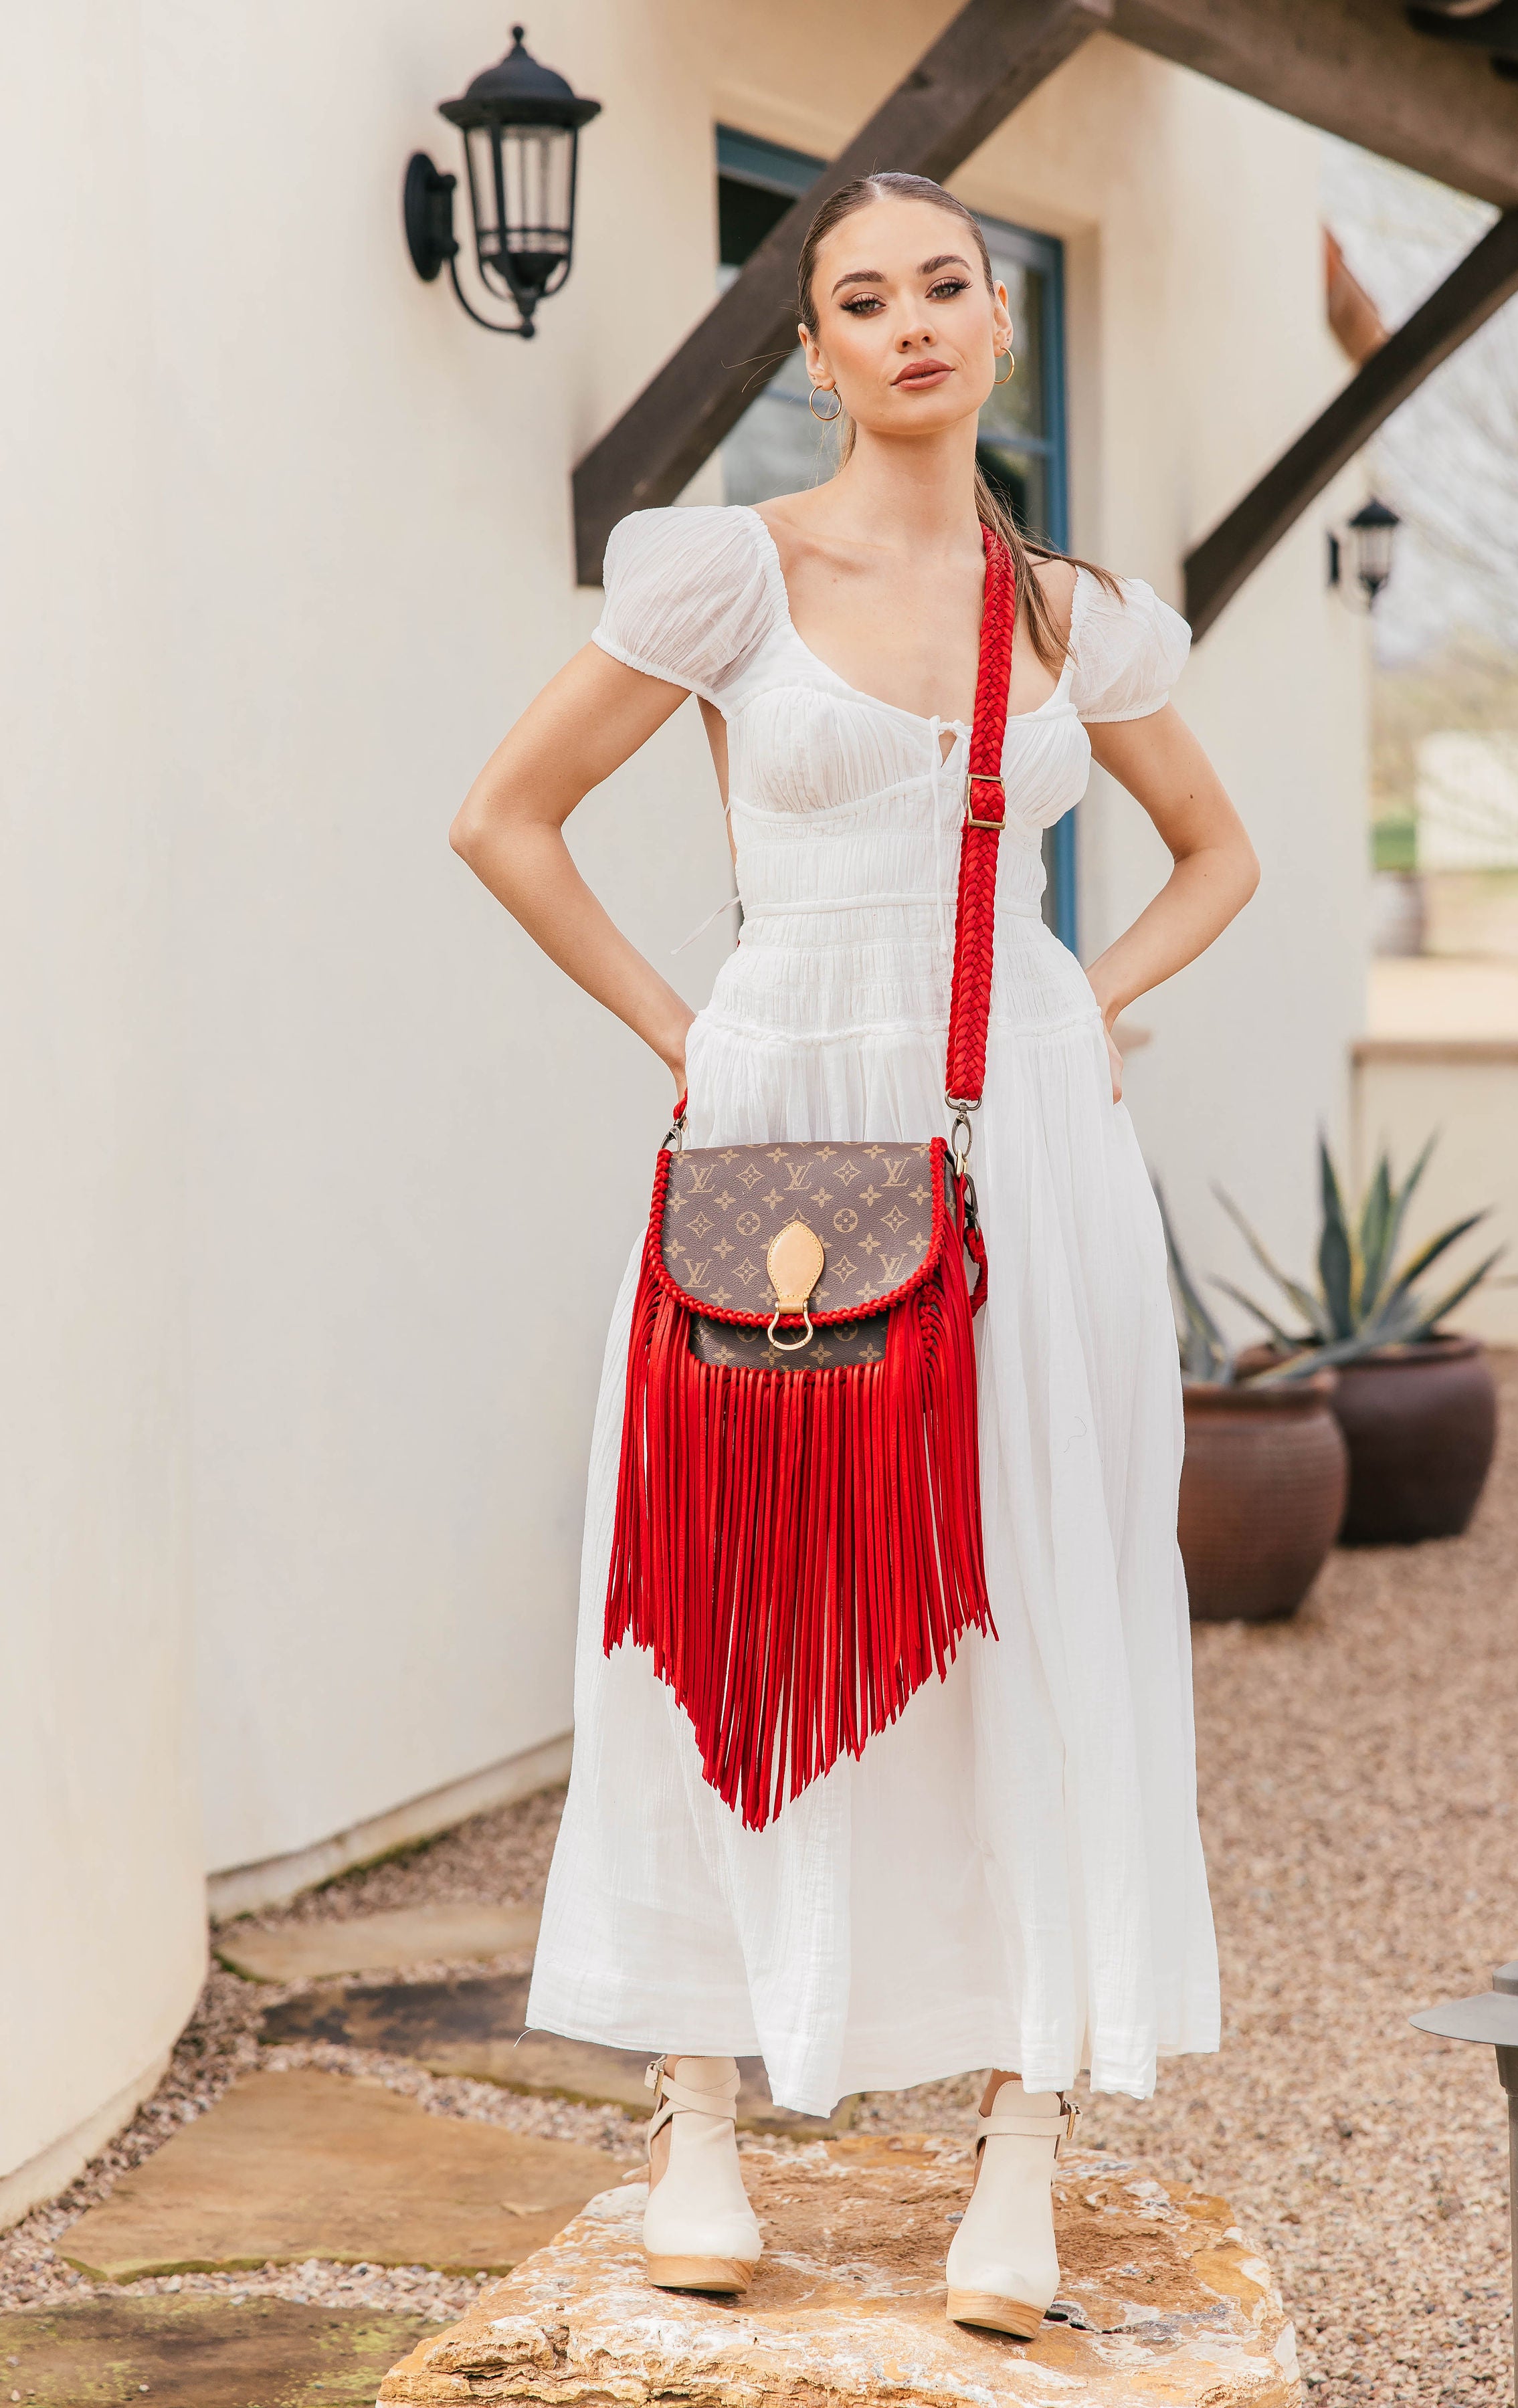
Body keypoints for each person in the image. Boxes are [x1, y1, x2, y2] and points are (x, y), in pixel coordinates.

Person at [451, 170, 1258, 2341]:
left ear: (998, 327)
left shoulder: (1074, 615)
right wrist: (686, 1036)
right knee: (733, 1593)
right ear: (815, 353)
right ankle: (697, 2107)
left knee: (1036, 1598)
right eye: (863, 299)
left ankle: (1021, 2131)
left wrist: (1091, 1007)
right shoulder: (730, 569)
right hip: (786, 1136)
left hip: (1029, 1149)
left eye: (946, 287)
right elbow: (503, 818)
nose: (911, 323)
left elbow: (1218, 853)